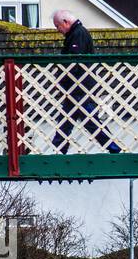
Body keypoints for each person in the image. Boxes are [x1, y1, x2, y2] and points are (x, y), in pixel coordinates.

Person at [51, 10, 121, 154]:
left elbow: (74, 61)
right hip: (77, 87)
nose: (58, 30)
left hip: (79, 87)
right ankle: (58, 150)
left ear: (66, 22)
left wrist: (63, 76)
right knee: (74, 120)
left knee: (85, 121)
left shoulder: (78, 34)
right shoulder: (77, 33)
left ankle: (59, 151)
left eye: (58, 26)